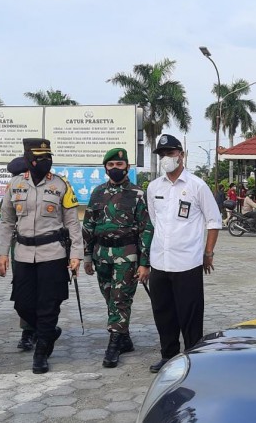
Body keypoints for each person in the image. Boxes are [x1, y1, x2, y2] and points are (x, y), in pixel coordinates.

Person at [0, 138, 83, 374]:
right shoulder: (14, 185)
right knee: (23, 304)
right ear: (28, 160)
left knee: (48, 305)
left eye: (48, 157)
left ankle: (42, 351)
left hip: (53, 253)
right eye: (40, 157)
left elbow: (73, 223)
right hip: (23, 254)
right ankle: (49, 331)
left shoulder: (61, 185)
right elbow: (6, 221)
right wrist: (1, 254)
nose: (45, 161)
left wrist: (76, 254)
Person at [146, 134, 222, 373]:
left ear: (181, 155)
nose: (166, 158)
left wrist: (208, 253)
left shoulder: (196, 185)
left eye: (170, 153)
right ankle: (168, 355)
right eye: (162, 155)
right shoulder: (153, 187)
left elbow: (214, 221)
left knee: (190, 315)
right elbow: (154, 220)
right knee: (163, 313)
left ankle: (192, 358)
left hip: (187, 262)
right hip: (160, 261)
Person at [82, 147, 153, 368]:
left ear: (127, 168)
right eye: (111, 166)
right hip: (101, 255)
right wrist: (86, 256)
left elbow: (146, 230)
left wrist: (144, 263)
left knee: (120, 299)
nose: (115, 169)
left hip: (127, 255)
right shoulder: (97, 193)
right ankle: (125, 338)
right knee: (109, 298)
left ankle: (113, 346)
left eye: (119, 165)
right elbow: (88, 226)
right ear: (105, 168)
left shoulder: (138, 194)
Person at [0, 156, 36, 351]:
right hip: (20, 248)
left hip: (49, 250)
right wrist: (0, 254)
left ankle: (42, 328)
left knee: (46, 290)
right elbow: (4, 222)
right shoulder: (12, 189)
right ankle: (28, 329)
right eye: (16, 175)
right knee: (23, 291)